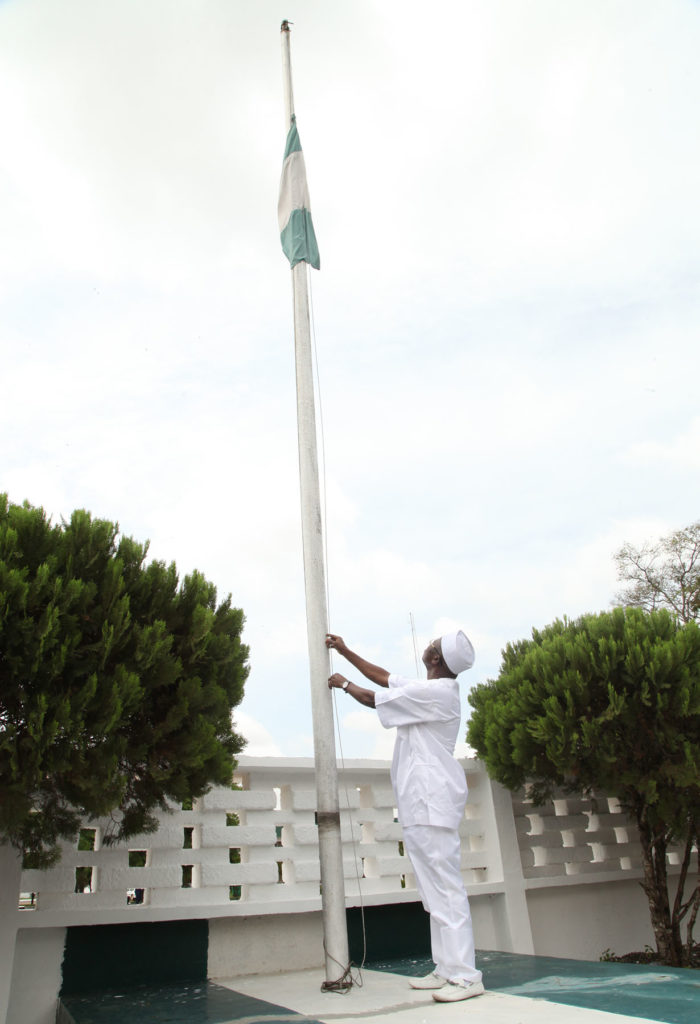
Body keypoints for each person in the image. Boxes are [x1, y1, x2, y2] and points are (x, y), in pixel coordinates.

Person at [326, 630, 484, 1004]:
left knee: (446, 890)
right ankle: (446, 968)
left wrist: (343, 684)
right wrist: (346, 650)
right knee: (433, 892)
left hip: (433, 802)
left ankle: (465, 975)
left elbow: (371, 696)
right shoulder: (429, 688)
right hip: (419, 803)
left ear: (437, 660)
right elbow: (384, 677)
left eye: (435, 643)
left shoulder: (437, 694)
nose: (430, 642)